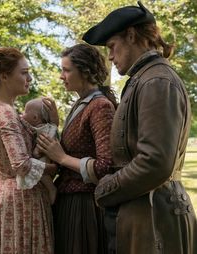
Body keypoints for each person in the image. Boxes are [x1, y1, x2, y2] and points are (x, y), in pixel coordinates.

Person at [82, 1, 197, 254]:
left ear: (132, 35)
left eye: (112, 46)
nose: (110, 56)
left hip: (154, 219)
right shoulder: (145, 78)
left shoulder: (156, 80)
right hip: (144, 216)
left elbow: (155, 162)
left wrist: (105, 188)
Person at [0, 47, 55, 253]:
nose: (30, 78)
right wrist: (53, 169)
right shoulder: (4, 113)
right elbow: (21, 165)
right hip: (15, 201)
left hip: (15, 195)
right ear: (4, 76)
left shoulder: (8, 111)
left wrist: (52, 126)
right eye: (24, 72)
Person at [38, 43, 117, 254]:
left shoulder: (100, 106)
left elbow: (106, 166)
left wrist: (62, 159)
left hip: (85, 207)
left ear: (84, 71)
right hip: (71, 202)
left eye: (66, 70)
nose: (61, 76)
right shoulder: (81, 104)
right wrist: (54, 124)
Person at [17, 97, 58, 204]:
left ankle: (52, 189)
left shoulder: (43, 129)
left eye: (25, 112)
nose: (22, 114)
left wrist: (36, 152)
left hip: (43, 159)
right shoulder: (40, 127)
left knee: (44, 176)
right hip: (44, 159)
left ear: (35, 117)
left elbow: (46, 140)